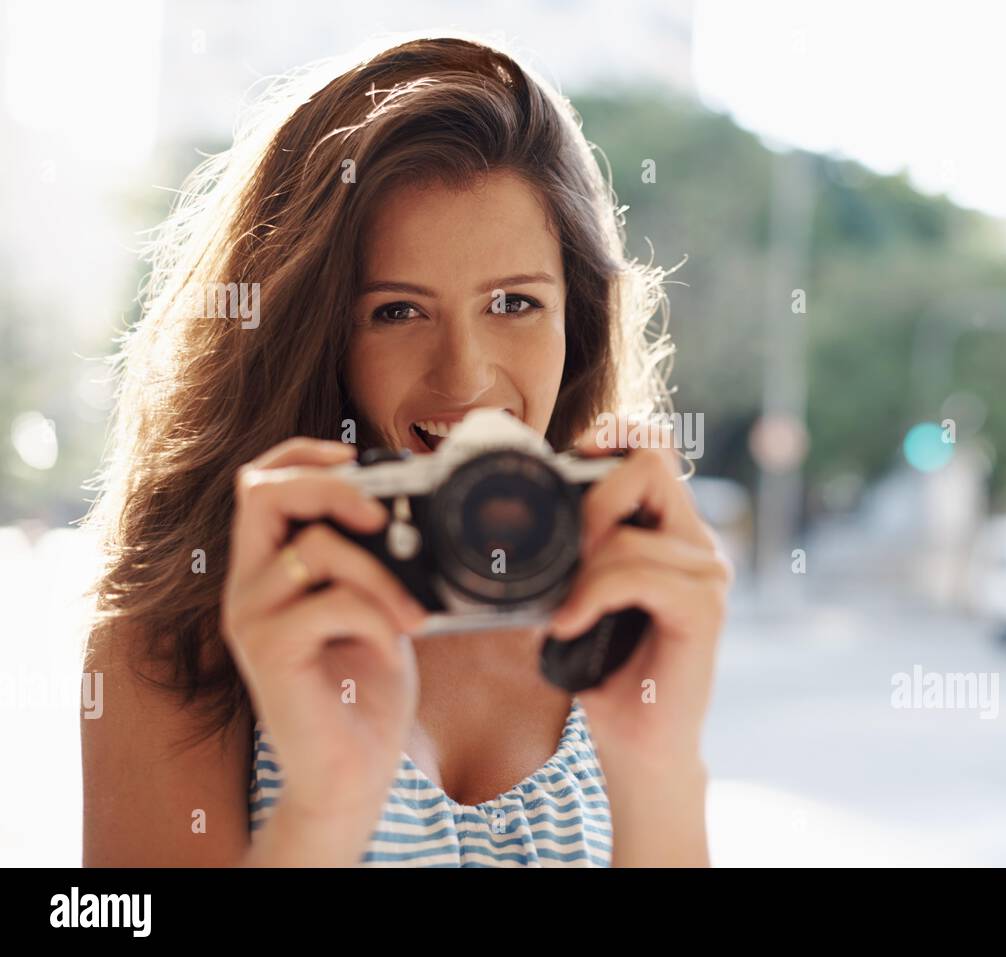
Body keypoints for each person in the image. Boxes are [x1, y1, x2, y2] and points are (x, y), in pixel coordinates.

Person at [79, 34, 732, 867]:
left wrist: (661, 772)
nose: (464, 375)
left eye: (513, 302)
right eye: (396, 311)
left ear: (581, 316)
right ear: (317, 333)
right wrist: (323, 805)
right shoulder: (184, 629)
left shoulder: (618, 604)